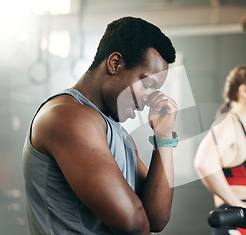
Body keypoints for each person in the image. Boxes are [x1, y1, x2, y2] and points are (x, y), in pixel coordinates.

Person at [22, 17, 178, 234]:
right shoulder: (66, 116)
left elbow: (156, 219)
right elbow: (133, 223)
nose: (150, 99)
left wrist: (164, 135)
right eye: (147, 84)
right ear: (115, 64)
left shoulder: (118, 133)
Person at [194, 65, 246, 235]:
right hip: (237, 223)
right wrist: (238, 204)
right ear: (244, 91)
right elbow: (204, 163)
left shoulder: (245, 129)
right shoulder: (229, 124)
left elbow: (237, 176)